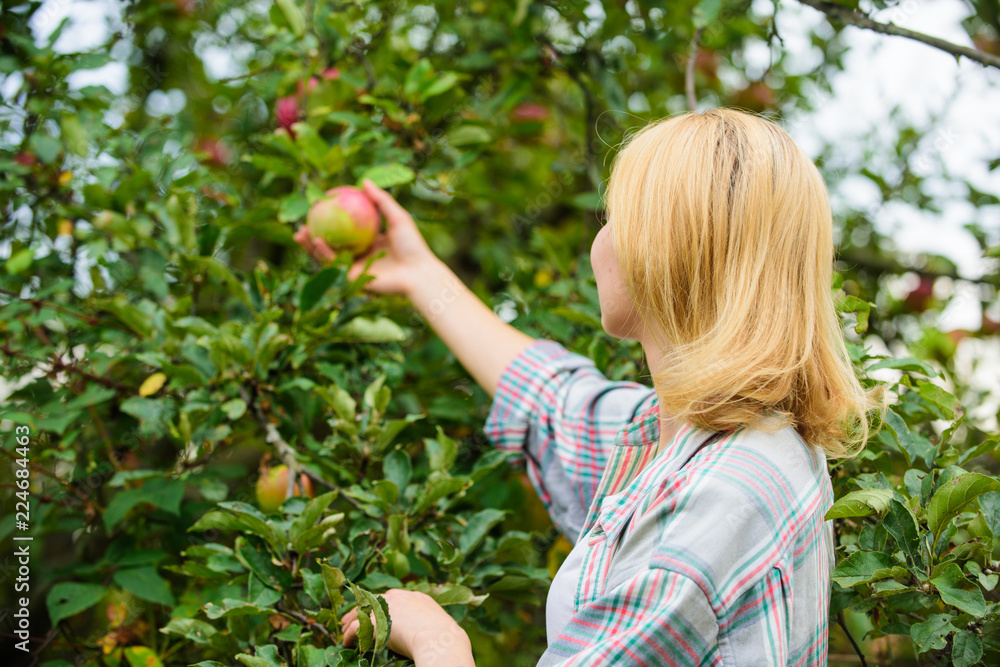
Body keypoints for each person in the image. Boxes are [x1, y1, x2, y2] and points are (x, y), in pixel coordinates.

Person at [295, 108, 884, 667]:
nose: (598, 241)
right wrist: (419, 273)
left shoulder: (722, 495)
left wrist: (435, 637)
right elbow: (551, 398)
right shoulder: (688, 436)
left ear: (663, 245)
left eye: (613, 218)